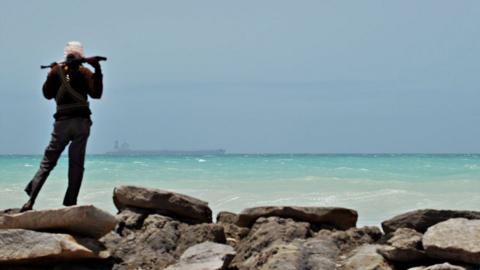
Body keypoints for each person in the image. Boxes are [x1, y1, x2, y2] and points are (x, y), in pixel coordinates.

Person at [21, 41, 103, 211]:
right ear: (81, 57)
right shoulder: (84, 71)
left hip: (62, 124)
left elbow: (47, 94)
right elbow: (96, 94)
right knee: (76, 163)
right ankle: (70, 202)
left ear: (66, 56)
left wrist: (52, 72)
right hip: (81, 123)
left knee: (47, 163)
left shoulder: (57, 72)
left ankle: (30, 200)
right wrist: (98, 70)